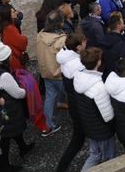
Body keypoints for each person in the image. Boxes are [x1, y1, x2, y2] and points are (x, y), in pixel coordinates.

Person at [0, 43, 34, 170]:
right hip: (8, 109)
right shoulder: (4, 75)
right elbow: (18, 94)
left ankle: (23, 147)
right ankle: (5, 166)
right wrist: (26, 89)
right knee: (6, 137)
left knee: (14, 131)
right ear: (7, 58)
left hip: (1, 107)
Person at [74, 47, 116, 171]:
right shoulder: (99, 87)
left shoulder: (78, 78)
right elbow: (108, 115)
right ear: (98, 62)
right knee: (109, 158)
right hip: (102, 130)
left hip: (89, 125)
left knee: (95, 154)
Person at [55, 32, 87, 172]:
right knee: (78, 139)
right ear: (78, 47)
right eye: (84, 42)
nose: (87, 44)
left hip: (74, 102)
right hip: (80, 104)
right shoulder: (77, 64)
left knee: (79, 138)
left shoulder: (65, 58)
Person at [36, 9, 68, 138]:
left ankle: (48, 126)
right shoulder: (61, 40)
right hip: (59, 74)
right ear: (60, 23)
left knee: (49, 98)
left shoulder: (40, 35)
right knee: (73, 96)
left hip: (46, 72)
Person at [0, 4, 28, 71]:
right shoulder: (10, 28)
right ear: (8, 15)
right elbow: (21, 43)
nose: (15, 13)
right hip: (15, 58)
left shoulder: (6, 26)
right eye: (13, 12)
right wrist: (24, 38)